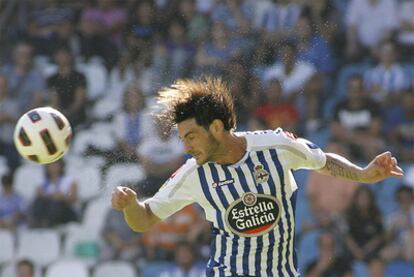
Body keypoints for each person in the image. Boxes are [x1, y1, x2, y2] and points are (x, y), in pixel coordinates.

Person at [111, 77, 403, 277]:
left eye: (191, 136)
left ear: (215, 127)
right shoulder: (194, 173)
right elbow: (144, 220)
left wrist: (364, 175)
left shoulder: (276, 146)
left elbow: (323, 161)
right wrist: (131, 206)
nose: (185, 146)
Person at [29, 159, 78, 228]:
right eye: (51, 165)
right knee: (39, 202)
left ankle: (48, 224)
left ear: (61, 166)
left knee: (56, 203)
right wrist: (54, 196)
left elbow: (73, 199)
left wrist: (62, 197)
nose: (53, 167)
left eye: (56, 164)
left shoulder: (69, 180)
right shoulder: (42, 180)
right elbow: (39, 194)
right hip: (48, 207)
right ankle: (38, 223)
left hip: (65, 211)